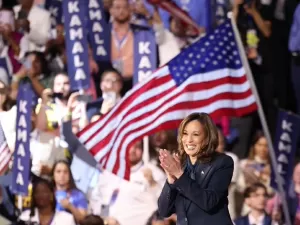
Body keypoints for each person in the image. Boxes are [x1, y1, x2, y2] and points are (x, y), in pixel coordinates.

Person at [158, 112, 234, 225]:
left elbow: (209, 202)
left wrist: (179, 175)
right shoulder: (181, 164)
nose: (189, 140)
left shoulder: (222, 162)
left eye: (196, 134)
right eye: (185, 133)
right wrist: (171, 179)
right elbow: (164, 211)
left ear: (207, 137)